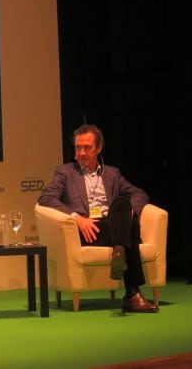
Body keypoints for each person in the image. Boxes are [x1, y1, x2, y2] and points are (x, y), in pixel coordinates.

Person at [37, 124, 159, 313]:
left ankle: (119, 253)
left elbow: (139, 193)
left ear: (99, 148)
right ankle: (132, 293)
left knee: (122, 204)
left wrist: (129, 212)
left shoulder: (112, 173)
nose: (82, 152)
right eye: (78, 148)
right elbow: (46, 198)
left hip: (112, 226)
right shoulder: (65, 172)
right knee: (132, 228)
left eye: (87, 147)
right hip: (89, 230)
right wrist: (77, 218)